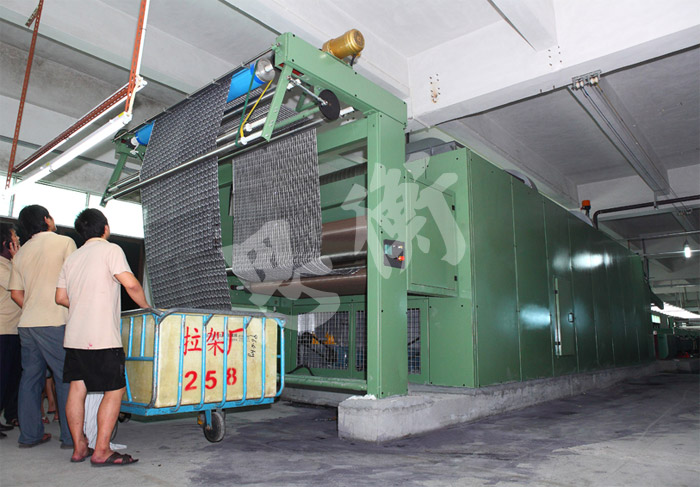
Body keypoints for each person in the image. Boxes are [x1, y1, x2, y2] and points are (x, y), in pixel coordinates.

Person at [56, 208, 148, 466]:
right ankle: (102, 450)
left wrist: (83, 303)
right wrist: (147, 307)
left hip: (75, 336)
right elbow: (131, 284)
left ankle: (79, 447)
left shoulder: (72, 258)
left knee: (77, 389)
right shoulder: (111, 250)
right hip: (102, 336)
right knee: (115, 389)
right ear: (105, 228)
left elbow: (60, 297)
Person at [9, 205, 76, 448]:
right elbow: (74, 280)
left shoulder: (22, 253)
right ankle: (71, 437)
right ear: (46, 220)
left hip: (27, 323)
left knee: (30, 379)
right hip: (55, 320)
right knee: (65, 378)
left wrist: (32, 306)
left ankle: (30, 436)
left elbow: (16, 293)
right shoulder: (64, 242)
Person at [0, 223, 21, 438]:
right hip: (3, 330)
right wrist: (19, 259)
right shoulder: (2, 267)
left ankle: (10, 414)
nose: (19, 241)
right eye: (15, 238)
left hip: (13, 330)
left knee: (10, 378)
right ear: (6, 244)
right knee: (2, 377)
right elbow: (19, 286)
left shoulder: (8, 265)